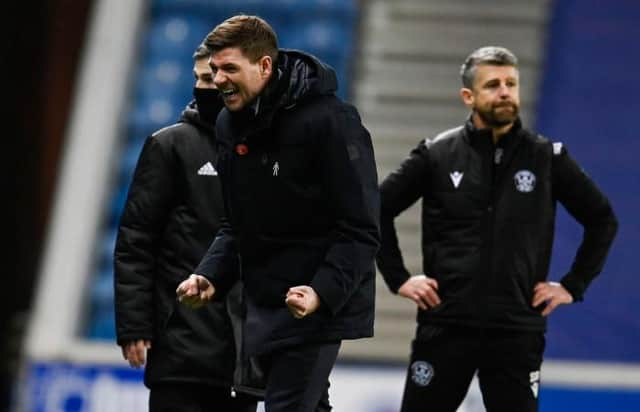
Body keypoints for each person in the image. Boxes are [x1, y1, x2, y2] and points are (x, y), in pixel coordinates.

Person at [376, 46, 618, 412]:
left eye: (511, 83)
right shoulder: (436, 155)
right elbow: (374, 210)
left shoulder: (546, 158)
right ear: (468, 96)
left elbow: (602, 219)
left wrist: (573, 284)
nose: (505, 92)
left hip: (516, 330)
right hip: (446, 326)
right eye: (492, 85)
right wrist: (398, 277)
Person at [176, 15, 380, 412]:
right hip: (265, 300)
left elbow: (360, 229)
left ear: (265, 66)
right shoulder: (228, 123)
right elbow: (236, 223)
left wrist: (321, 291)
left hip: (316, 302)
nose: (219, 80)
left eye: (230, 68)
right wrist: (209, 274)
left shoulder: (332, 122)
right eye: (215, 69)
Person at [114, 43, 260, 412]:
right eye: (199, 78)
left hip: (245, 356)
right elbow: (136, 240)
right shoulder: (170, 145)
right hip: (181, 348)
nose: (204, 87)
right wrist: (135, 325)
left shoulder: (270, 150)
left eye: (212, 78)